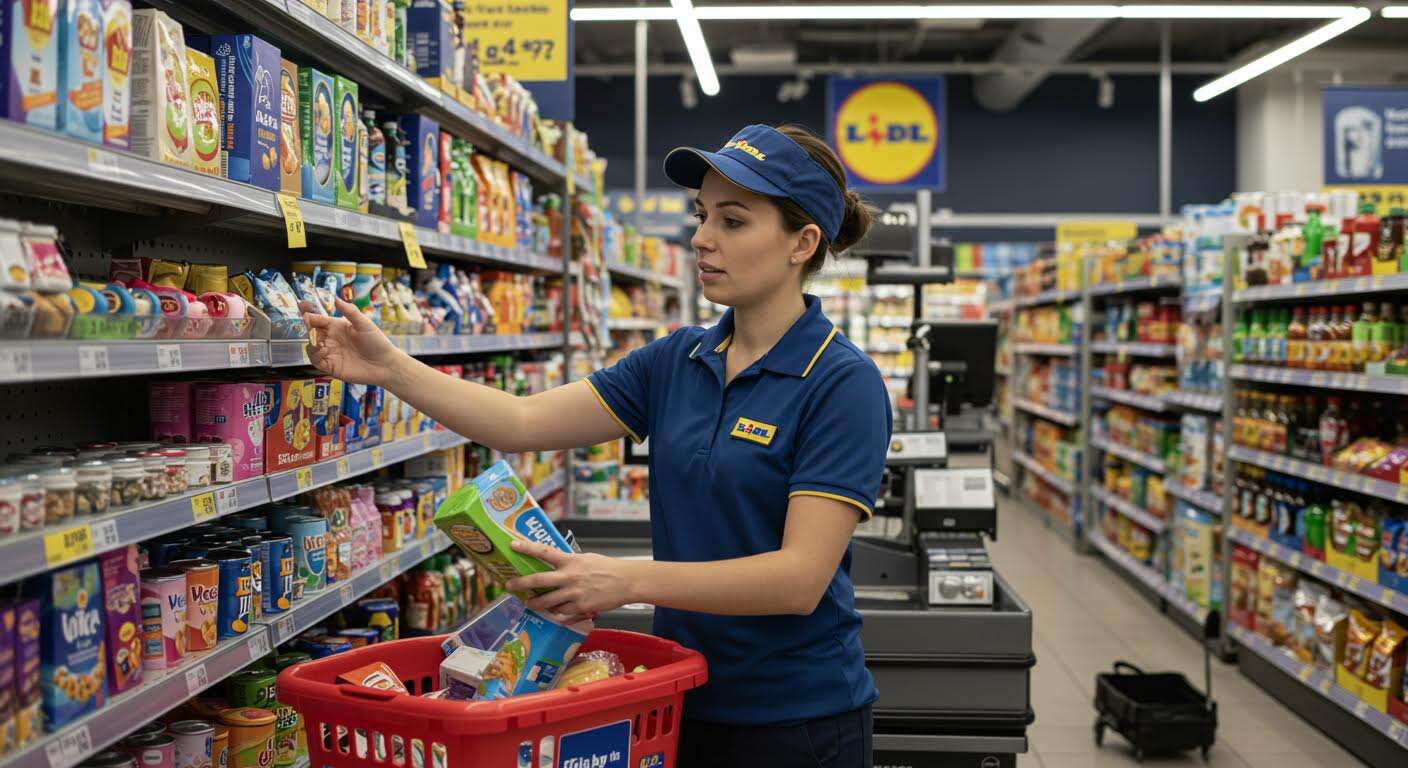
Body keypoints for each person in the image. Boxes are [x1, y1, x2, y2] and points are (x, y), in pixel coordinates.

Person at [301, 123, 891, 767]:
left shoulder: (841, 383)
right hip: (679, 694)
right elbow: (521, 423)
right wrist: (391, 368)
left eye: (733, 220)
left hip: (797, 719)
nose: (701, 237)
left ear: (802, 243)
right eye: (701, 215)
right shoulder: (678, 361)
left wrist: (623, 581)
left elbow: (799, 579)